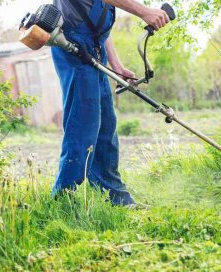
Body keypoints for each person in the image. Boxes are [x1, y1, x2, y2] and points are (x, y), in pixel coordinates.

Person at [51, 0, 169, 206]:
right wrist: (144, 11)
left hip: (92, 45)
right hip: (74, 44)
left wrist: (117, 65)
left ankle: (113, 196)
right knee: (83, 127)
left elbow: (97, 23)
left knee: (106, 126)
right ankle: (61, 200)